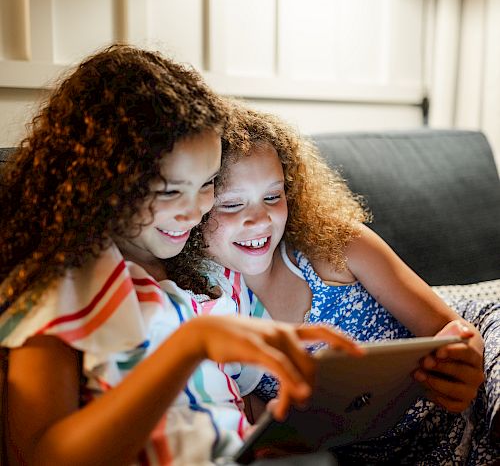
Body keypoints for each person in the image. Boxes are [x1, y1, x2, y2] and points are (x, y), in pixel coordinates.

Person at [0, 45, 363, 465]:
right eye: (170, 191)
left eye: (207, 184)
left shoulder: (208, 277)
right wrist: (189, 346)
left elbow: (225, 409)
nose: (194, 211)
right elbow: (36, 455)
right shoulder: (62, 283)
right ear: (100, 180)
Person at [184, 101, 499, 464]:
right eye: (232, 204)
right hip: (388, 453)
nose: (260, 219)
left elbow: (451, 324)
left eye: (273, 196)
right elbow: (257, 431)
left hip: (474, 387)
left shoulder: (335, 245)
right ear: (196, 208)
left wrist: (467, 351)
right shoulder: (205, 313)